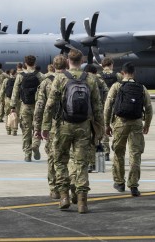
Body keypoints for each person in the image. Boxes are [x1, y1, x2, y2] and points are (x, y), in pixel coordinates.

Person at [42, 48, 103, 214]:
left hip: (63, 126)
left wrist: (46, 126)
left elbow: (50, 105)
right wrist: (100, 128)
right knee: (82, 163)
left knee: (60, 161)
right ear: (82, 61)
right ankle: (82, 202)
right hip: (84, 126)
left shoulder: (60, 78)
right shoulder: (90, 79)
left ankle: (64, 197)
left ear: (68, 61)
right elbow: (97, 106)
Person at [104, 62, 152, 197]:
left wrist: (106, 124)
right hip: (136, 123)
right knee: (135, 154)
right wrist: (147, 124)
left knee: (119, 152)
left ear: (122, 73)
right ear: (133, 73)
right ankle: (134, 185)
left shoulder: (117, 86)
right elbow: (148, 108)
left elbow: (108, 106)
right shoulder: (141, 88)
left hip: (120, 122)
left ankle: (119, 182)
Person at [34, 57, 63, 199]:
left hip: (52, 126)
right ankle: (70, 188)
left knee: (52, 157)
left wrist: (37, 128)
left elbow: (40, 107)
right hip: (72, 125)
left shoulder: (45, 83)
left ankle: (54, 189)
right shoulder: (73, 80)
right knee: (70, 158)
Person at [11, 55, 44, 162]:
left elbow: (15, 92)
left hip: (24, 107)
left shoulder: (20, 76)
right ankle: (35, 145)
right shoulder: (40, 75)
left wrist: (13, 106)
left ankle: (27, 153)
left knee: (26, 130)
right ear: (35, 63)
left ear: (25, 63)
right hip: (37, 107)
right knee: (37, 128)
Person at [99, 57, 123, 161]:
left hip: (102, 105)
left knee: (104, 128)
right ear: (112, 65)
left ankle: (105, 152)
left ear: (102, 65)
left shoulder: (98, 76)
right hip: (115, 105)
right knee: (117, 128)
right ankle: (116, 145)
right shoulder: (118, 75)